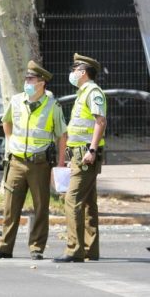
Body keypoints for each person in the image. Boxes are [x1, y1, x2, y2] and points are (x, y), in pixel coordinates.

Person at [0, 60, 67, 261]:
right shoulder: (16, 101)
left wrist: (59, 164)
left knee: (41, 207)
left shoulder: (52, 106)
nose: (27, 82)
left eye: (31, 79)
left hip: (40, 163)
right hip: (16, 161)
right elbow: (6, 121)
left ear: (42, 83)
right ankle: (4, 247)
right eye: (26, 79)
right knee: (10, 206)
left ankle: (37, 247)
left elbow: (61, 135)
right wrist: (9, 141)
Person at [54, 53, 107, 263]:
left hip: (86, 155)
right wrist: (68, 157)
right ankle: (90, 250)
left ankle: (74, 249)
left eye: (74, 69)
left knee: (72, 199)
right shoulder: (82, 93)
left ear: (83, 72)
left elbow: (100, 121)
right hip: (79, 154)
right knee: (88, 203)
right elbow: (75, 132)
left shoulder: (93, 92)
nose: (72, 73)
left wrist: (92, 150)